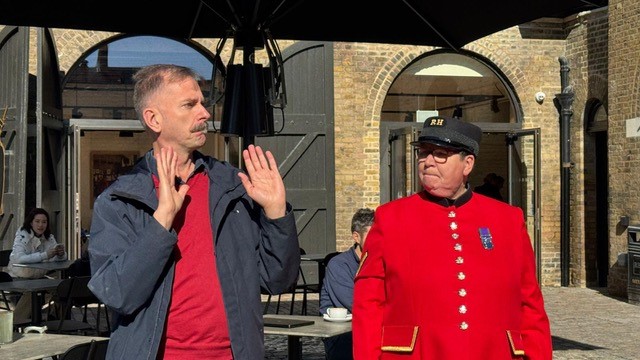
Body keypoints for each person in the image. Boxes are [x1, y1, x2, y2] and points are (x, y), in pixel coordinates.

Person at [87, 64, 300, 360]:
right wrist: (162, 222)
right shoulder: (119, 201)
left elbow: (277, 280)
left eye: (202, 103)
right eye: (190, 105)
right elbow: (117, 294)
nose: (205, 113)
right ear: (154, 119)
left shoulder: (232, 187)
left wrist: (277, 214)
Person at [352, 116, 552, 359]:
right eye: (423, 153)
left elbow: (530, 305)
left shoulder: (508, 220)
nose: (427, 162)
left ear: (467, 164)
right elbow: (369, 303)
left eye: (440, 154)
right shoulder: (390, 218)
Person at [319, 208, 375, 360]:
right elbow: (356, 303)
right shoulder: (339, 265)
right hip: (343, 338)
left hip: (371, 332)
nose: (378, 241)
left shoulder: (379, 262)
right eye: (373, 236)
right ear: (356, 237)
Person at [7, 207, 67, 321]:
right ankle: (16, 323)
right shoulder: (22, 235)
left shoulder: (49, 237)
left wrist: (60, 254)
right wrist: (44, 255)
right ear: (31, 222)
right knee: (33, 291)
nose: (41, 225)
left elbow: (58, 259)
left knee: (62, 288)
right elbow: (19, 258)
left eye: (44, 222)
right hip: (19, 277)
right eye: (37, 221)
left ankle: (58, 321)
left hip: (39, 276)